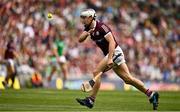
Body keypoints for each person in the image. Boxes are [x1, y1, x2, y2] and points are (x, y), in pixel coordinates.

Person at [76, 9, 159, 110]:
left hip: (115, 52)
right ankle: (151, 94)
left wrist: (110, 58)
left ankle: (91, 100)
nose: (83, 19)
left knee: (96, 71)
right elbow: (80, 39)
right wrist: (88, 32)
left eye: (85, 17)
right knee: (128, 79)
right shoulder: (88, 27)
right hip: (111, 54)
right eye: (82, 17)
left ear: (91, 17)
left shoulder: (102, 27)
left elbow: (112, 42)